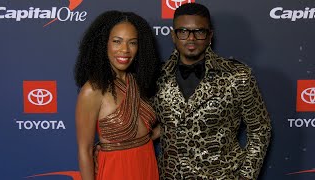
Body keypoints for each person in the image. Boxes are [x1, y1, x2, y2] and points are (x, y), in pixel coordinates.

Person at [152, 3, 271, 180]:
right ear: (173, 35)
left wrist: (246, 176)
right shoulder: (156, 76)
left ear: (210, 36)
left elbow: (260, 129)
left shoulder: (238, 76)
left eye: (199, 32)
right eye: (183, 31)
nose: (191, 39)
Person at [74, 10, 161, 180]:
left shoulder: (139, 81)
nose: (125, 50)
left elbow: (143, 133)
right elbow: (84, 150)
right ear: (103, 44)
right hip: (116, 170)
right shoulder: (93, 90)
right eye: (117, 41)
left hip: (147, 163)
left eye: (132, 43)